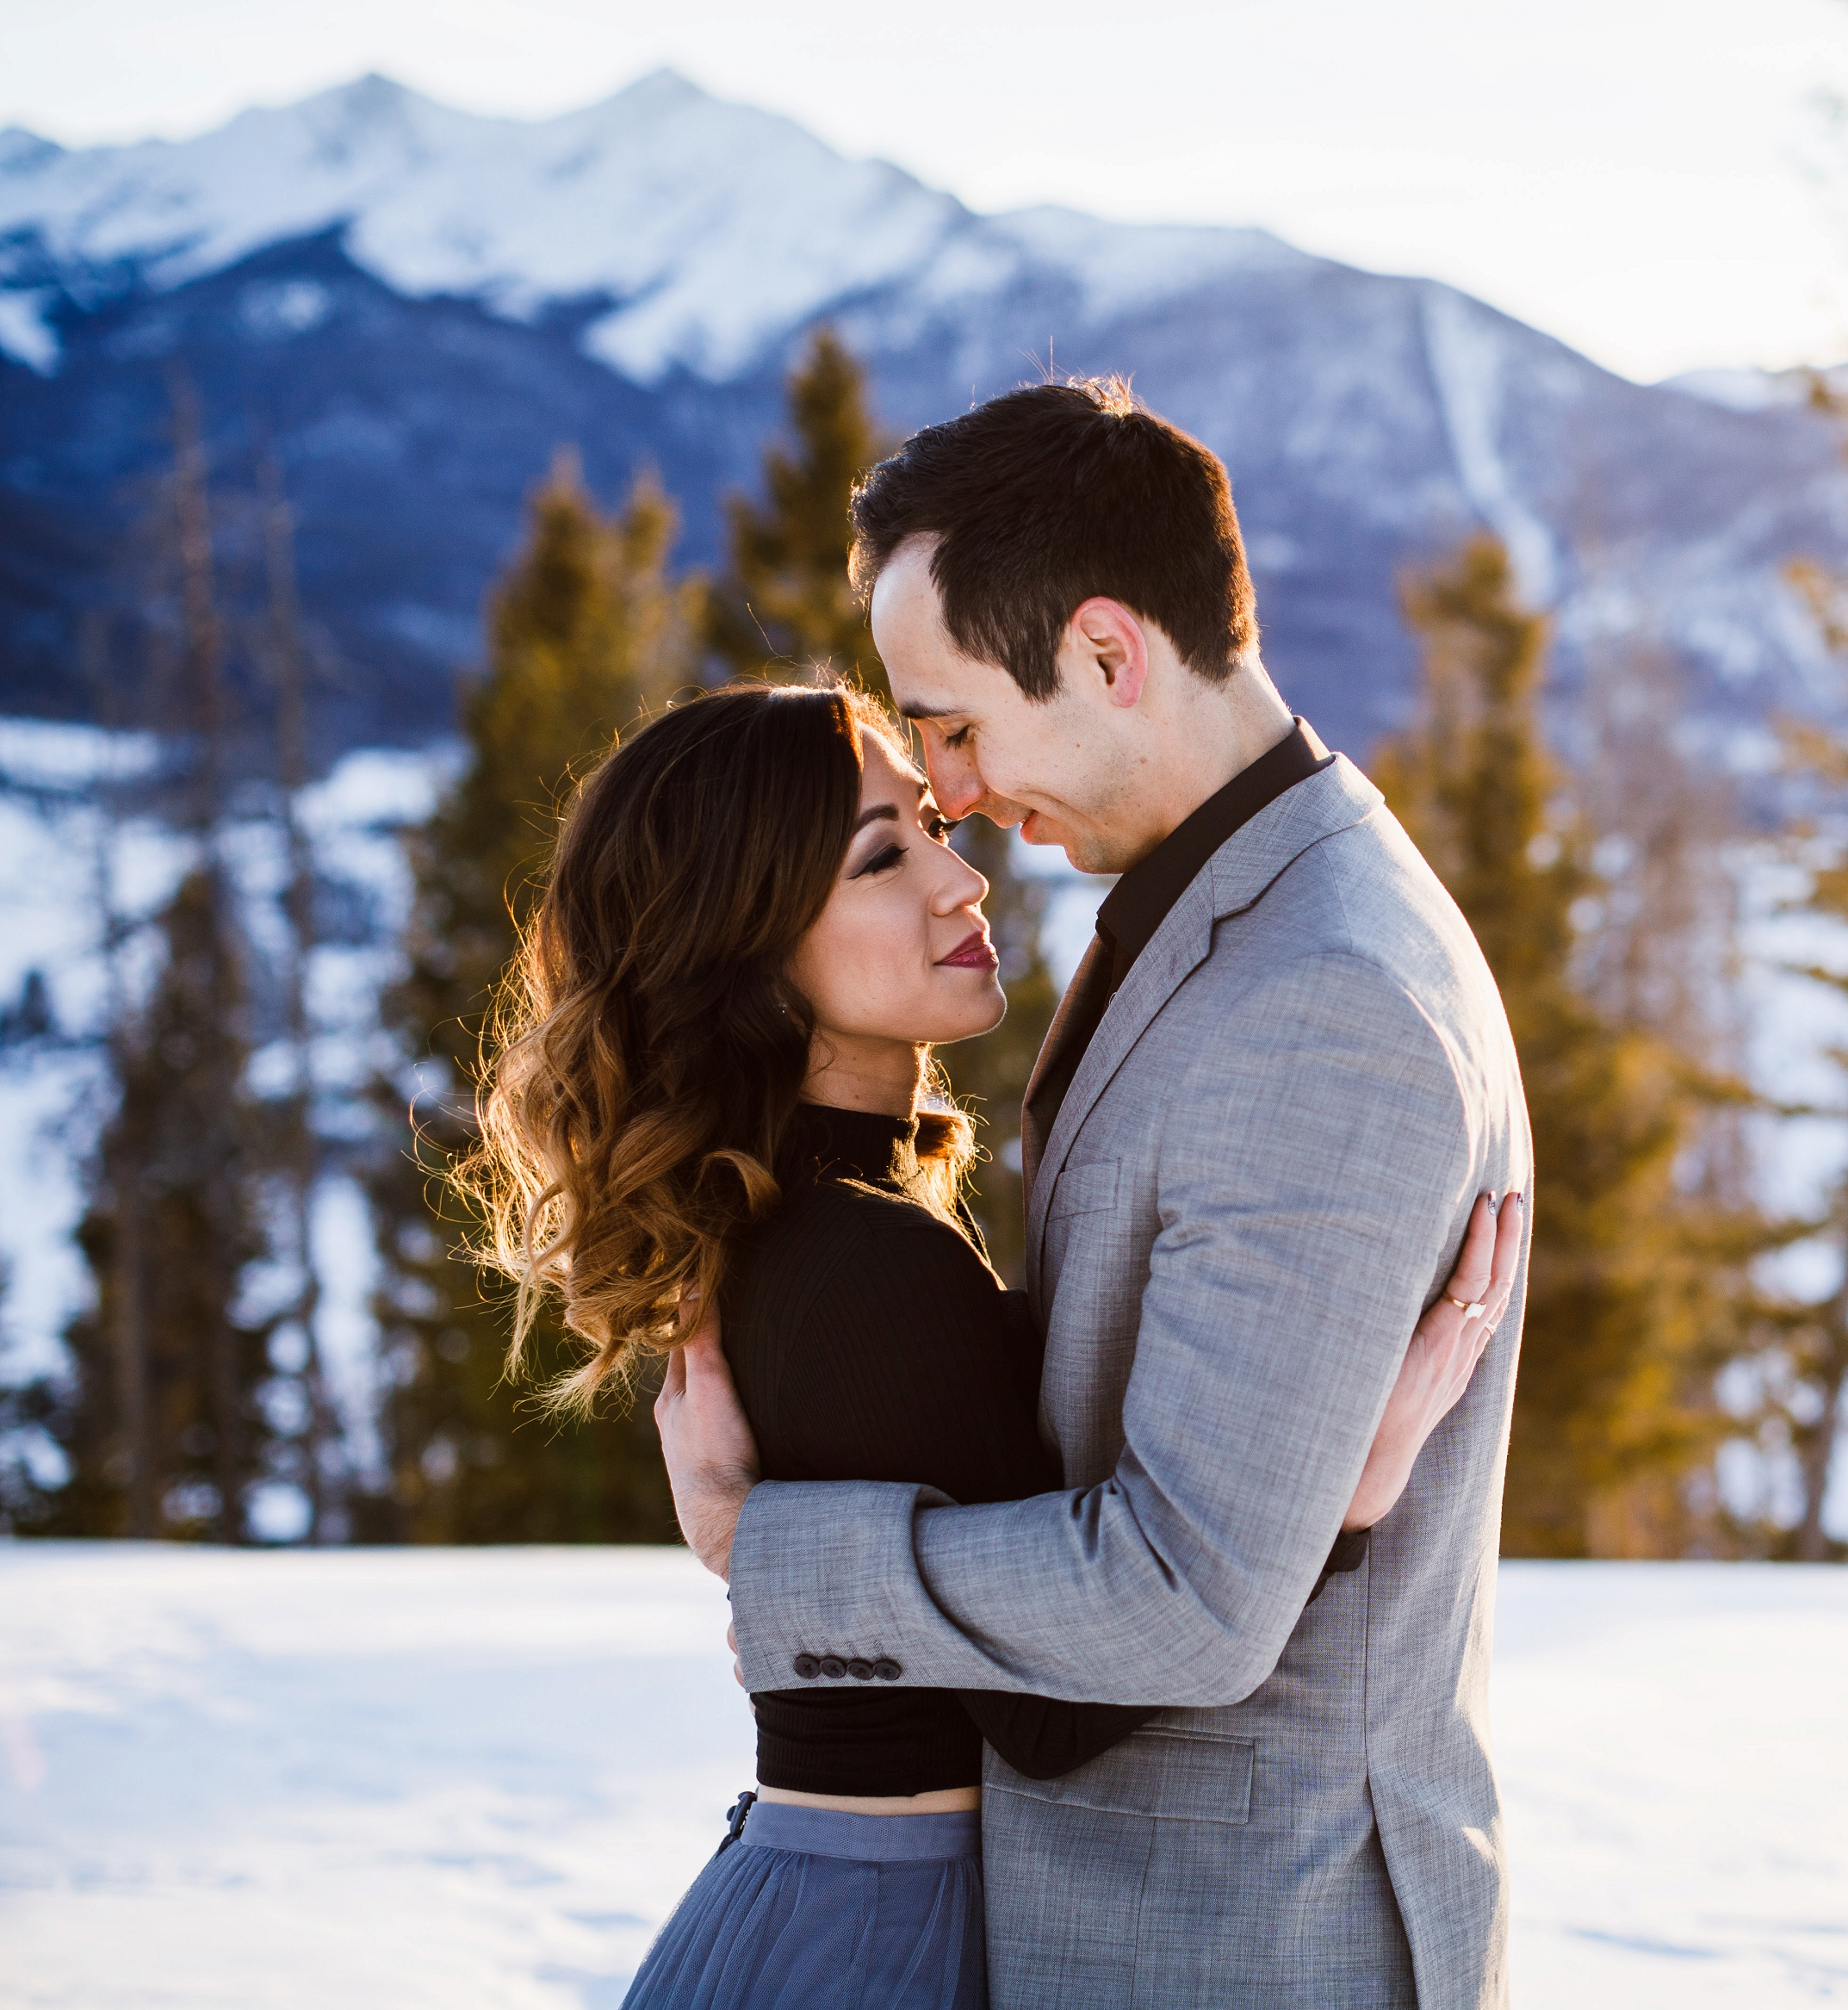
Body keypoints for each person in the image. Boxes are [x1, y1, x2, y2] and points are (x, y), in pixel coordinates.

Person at [654, 378, 1533, 2009]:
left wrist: (764, 1550)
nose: (959, 794)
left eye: (959, 727)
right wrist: (1318, 1484)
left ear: (1111, 655)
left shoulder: (1322, 995)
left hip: (1242, 1941)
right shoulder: (1227, 915)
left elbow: (1188, 1603)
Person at [468, 678, 1521, 2009]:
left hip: (856, 1906)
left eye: (931, 825)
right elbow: (1052, 1711)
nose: (961, 881)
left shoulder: (823, 1224)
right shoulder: (863, 1264)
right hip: (877, 1938)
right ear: (745, 946)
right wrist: (1342, 1489)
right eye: (882, 856)